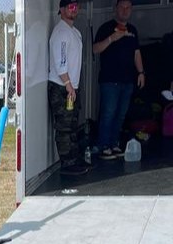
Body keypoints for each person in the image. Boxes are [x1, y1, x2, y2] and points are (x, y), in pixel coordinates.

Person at [92, 0, 145, 160]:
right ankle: (104, 146)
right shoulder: (106, 28)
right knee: (108, 113)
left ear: (131, 10)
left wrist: (141, 72)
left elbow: (137, 53)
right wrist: (111, 39)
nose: (124, 10)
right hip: (109, 80)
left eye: (128, 7)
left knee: (121, 115)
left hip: (127, 81)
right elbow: (95, 49)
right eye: (122, 7)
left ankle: (114, 144)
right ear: (116, 9)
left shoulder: (133, 30)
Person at [48, 0, 88, 176]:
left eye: (76, 7)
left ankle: (75, 158)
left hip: (71, 87)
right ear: (62, 10)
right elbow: (60, 61)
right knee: (64, 127)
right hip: (62, 87)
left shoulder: (75, 32)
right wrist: (68, 84)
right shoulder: (61, 32)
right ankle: (67, 163)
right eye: (70, 7)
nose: (74, 10)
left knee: (72, 125)